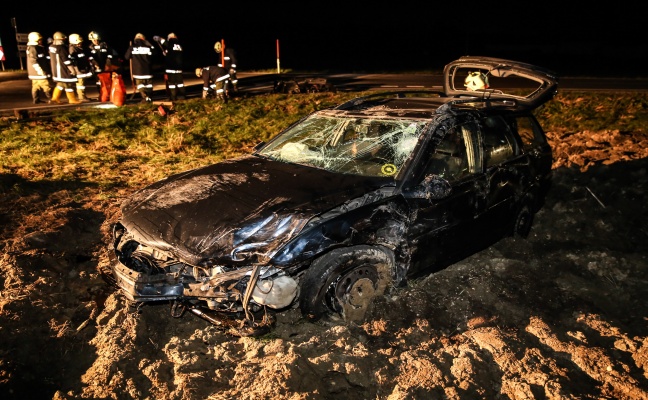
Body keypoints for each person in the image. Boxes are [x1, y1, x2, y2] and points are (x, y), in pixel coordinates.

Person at [88, 31, 120, 102]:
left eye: (96, 39)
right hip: (97, 68)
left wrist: (108, 63)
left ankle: (111, 94)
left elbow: (110, 54)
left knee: (109, 81)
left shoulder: (105, 45)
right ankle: (102, 95)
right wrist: (94, 63)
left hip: (106, 67)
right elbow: (90, 57)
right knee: (99, 82)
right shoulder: (90, 48)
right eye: (93, 40)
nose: (95, 41)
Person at [49, 31, 80, 104]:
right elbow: (66, 60)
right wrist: (72, 70)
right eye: (63, 39)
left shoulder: (52, 47)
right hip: (63, 70)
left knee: (60, 84)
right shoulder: (61, 48)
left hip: (56, 70)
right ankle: (72, 99)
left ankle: (54, 98)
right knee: (68, 84)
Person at [153, 33, 185, 101]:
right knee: (180, 84)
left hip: (171, 68)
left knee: (171, 84)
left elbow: (163, 42)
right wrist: (167, 54)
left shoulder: (170, 43)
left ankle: (173, 97)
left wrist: (158, 38)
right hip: (179, 68)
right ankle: (182, 96)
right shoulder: (179, 45)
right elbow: (173, 53)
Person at [124, 33, 155, 103]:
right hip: (148, 70)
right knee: (149, 85)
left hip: (138, 71)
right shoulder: (148, 47)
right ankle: (149, 97)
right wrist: (151, 45)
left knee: (140, 85)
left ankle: (145, 97)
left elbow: (126, 57)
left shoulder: (132, 47)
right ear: (144, 39)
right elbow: (155, 53)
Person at [69, 33, 99, 101]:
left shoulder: (81, 48)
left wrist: (94, 62)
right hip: (78, 70)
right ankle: (81, 97)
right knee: (80, 85)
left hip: (83, 69)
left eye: (81, 42)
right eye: (79, 42)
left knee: (82, 84)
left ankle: (83, 96)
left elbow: (88, 56)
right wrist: (75, 70)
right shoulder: (72, 49)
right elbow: (73, 61)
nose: (80, 44)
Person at [26, 32, 53, 104]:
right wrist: (40, 71)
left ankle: (36, 100)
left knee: (35, 86)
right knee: (46, 86)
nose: (41, 41)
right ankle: (52, 99)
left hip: (34, 73)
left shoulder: (36, 47)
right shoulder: (33, 48)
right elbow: (33, 61)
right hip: (38, 73)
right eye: (40, 40)